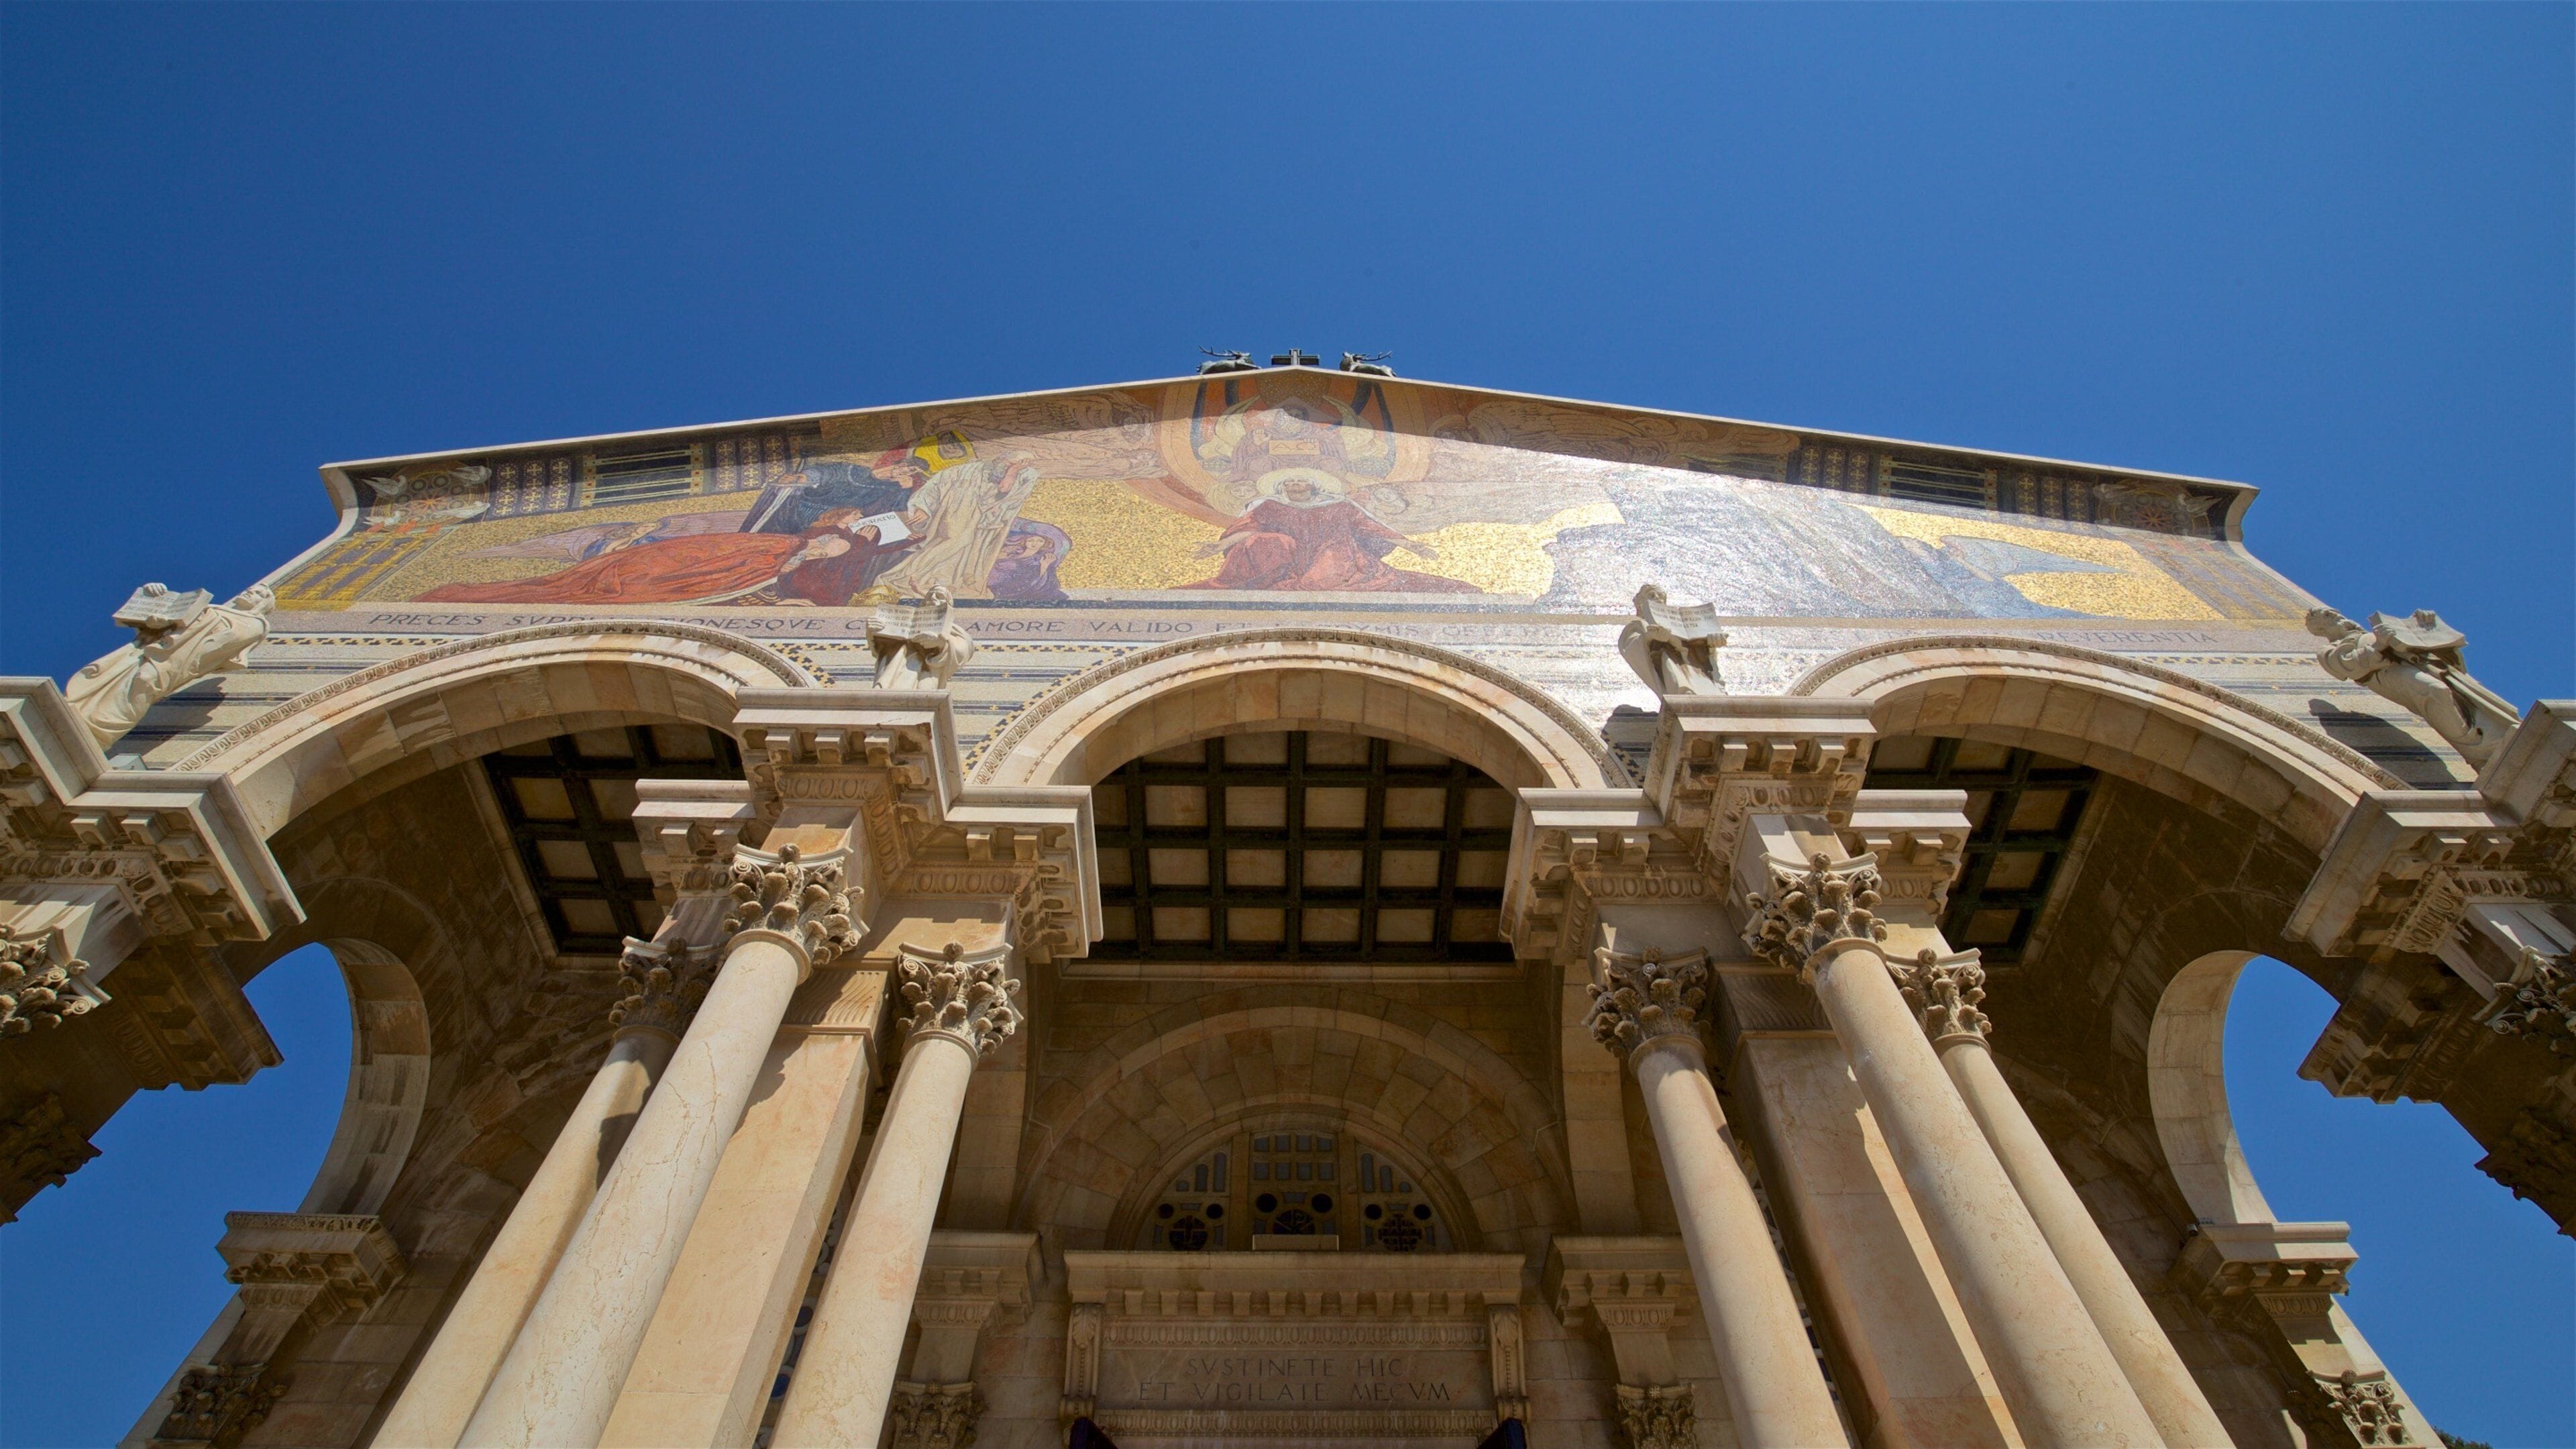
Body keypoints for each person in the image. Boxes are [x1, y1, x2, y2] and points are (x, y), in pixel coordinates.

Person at [1182, 469, 1476, 593]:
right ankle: (1272, 580)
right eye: (1289, 482)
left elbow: (1370, 527)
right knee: (1266, 540)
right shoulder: (1271, 506)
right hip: (1287, 557)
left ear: (1314, 486)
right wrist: (1219, 546)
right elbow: (1249, 528)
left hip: (1332, 553)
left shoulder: (1339, 506)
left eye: (1300, 481)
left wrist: (1411, 545)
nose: (1294, 485)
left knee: (1327, 565)